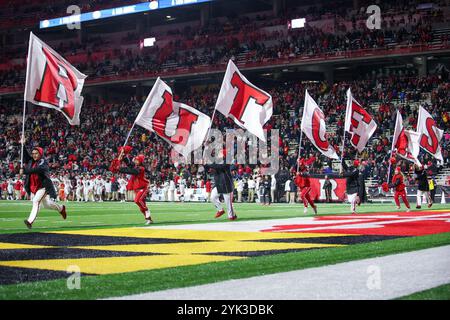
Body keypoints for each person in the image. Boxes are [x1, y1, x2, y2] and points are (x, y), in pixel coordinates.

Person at [20, 145, 66, 229]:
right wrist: (23, 144)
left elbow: (38, 169)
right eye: (33, 153)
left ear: (40, 153)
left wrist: (25, 171)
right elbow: (25, 156)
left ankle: (30, 221)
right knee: (47, 205)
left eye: (36, 153)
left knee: (36, 201)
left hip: (43, 187)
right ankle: (61, 208)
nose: (34, 155)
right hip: (34, 187)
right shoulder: (31, 161)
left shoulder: (43, 162)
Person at [111, 150, 153, 224]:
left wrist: (119, 169)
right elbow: (129, 164)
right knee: (141, 206)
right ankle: (148, 219)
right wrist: (123, 156)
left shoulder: (141, 168)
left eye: (137, 160)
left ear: (140, 161)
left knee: (137, 200)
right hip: (137, 188)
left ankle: (147, 211)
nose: (135, 161)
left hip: (143, 187)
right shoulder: (136, 166)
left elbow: (131, 171)